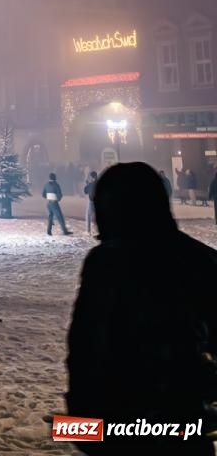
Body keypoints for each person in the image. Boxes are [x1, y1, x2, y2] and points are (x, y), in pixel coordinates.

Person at [67, 162, 217, 453]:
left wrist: (80, 420)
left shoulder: (104, 264)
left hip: (120, 429)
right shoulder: (198, 260)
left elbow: (84, 346)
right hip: (180, 426)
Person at [83, 171, 97, 236]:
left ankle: (88, 231)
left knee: (88, 215)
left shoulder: (91, 184)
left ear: (91, 177)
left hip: (92, 202)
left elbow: (85, 191)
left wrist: (88, 184)